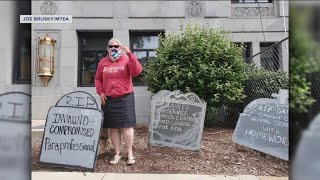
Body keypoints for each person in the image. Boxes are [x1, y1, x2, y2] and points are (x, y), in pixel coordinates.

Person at [95, 38, 142, 165]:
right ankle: (117, 153)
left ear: (120, 47)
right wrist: (100, 92)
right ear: (107, 48)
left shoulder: (126, 59)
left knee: (127, 126)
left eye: (116, 46)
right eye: (111, 46)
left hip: (125, 98)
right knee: (113, 127)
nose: (113, 48)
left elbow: (137, 71)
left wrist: (130, 54)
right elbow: (98, 79)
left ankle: (130, 154)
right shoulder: (103, 63)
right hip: (109, 99)